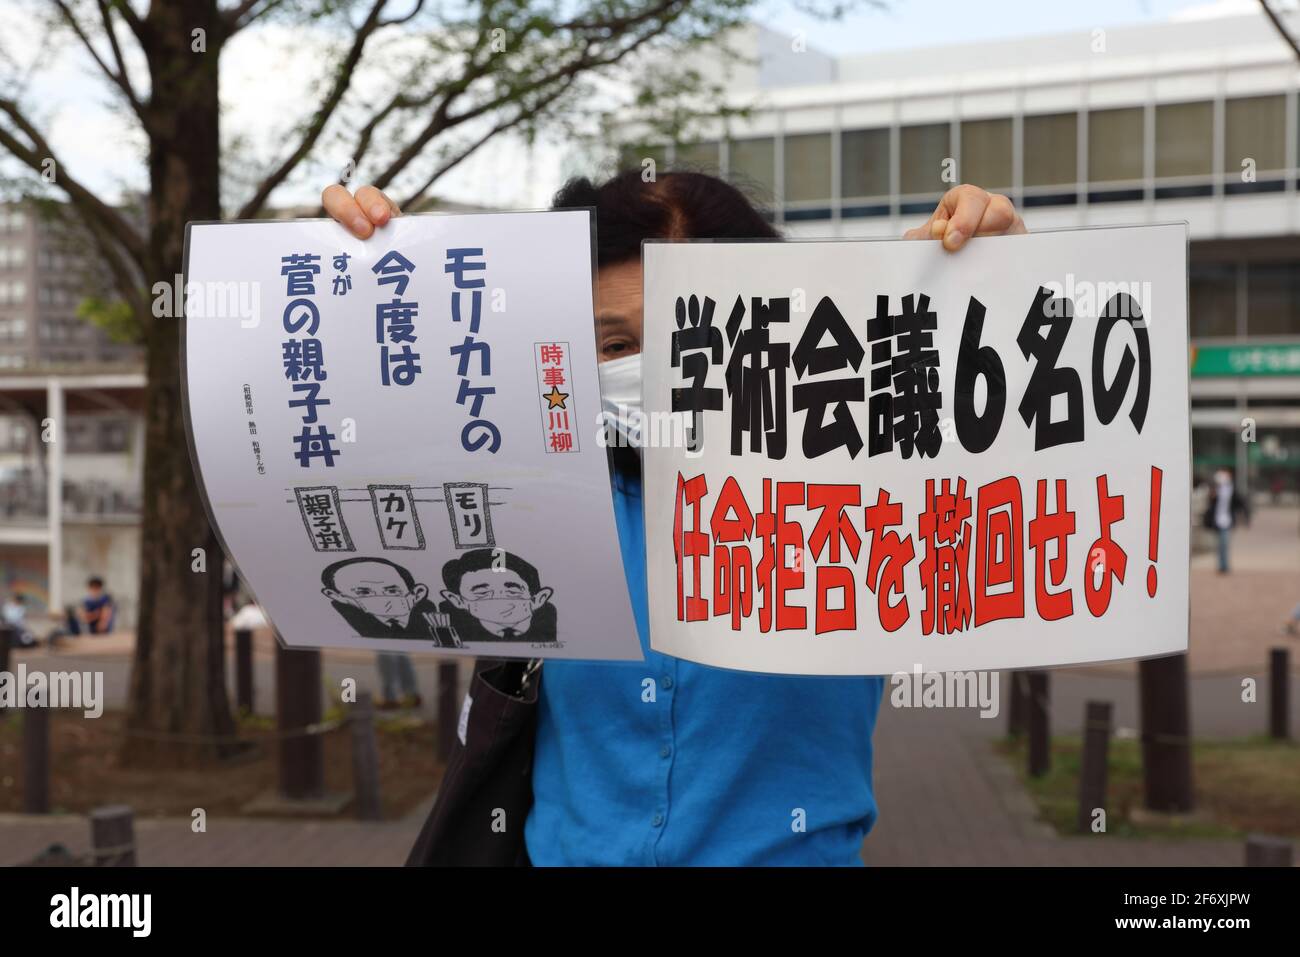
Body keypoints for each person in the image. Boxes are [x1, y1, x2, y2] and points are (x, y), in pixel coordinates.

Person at [322, 174, 1025, 865]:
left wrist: (1002, 284)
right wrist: (350, 273)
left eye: (689, 334)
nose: (658, 371)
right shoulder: (537, 500)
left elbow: (1013, 466)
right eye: (617, 344)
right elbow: (355, 443)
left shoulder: (864, 493)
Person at [1202, 467, 1248, 574]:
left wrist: (1244, 516)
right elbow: (1210, 504)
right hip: (1216, 521)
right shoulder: (1215, 489)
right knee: (1218, 545)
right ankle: (1220, 565)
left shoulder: (1232, 489)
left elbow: (1240, 503)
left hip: (1227, 521)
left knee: (1224, 543)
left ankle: (1225, 565)